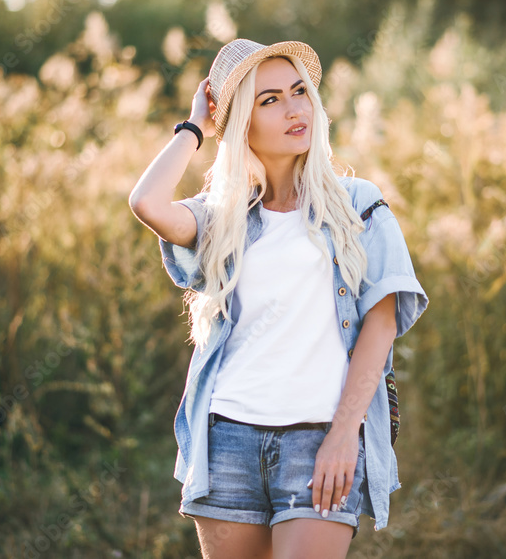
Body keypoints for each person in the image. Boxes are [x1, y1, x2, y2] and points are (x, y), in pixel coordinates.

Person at [129, 38, 428, 558]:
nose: (294, 109)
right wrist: (197, 125)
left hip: (319, 439)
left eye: (299, 91)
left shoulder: (360, 206)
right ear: (243, 121)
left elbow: (380, 328)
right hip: (229, 440)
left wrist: (342, 436)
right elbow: (147, 202)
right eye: (269, 100)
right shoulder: (222, 216)